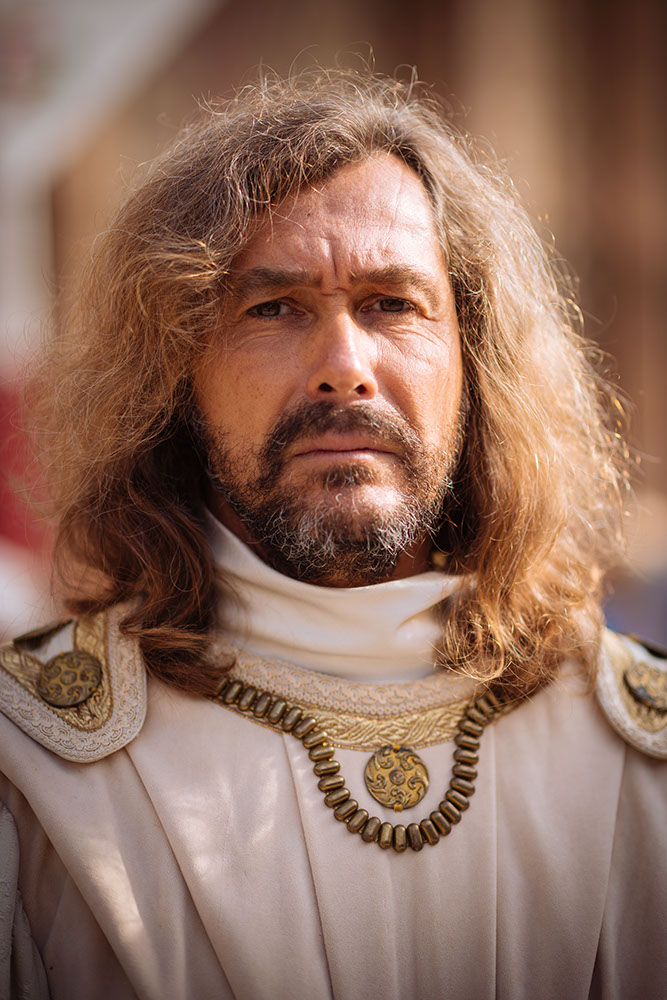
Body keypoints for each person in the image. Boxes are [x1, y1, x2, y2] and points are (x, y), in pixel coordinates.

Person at [1, 68, 665, 1000]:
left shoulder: (639, 759)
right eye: (273, 309)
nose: (343, 368)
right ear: (174, 375)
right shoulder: (29, 771)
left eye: (392, 304)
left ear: (473, 363)